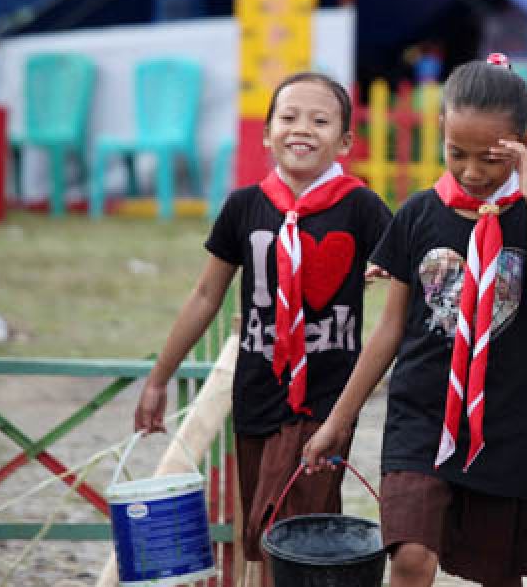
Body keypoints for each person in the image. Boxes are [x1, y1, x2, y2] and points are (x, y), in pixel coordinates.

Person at [302, 54, 527, 587]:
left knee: (498, 573)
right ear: (440, 133)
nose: (473, 173)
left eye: (492, 160)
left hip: (503, 424)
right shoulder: (418, 214)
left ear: (526, 141)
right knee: (409, 556)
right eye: (457, 154)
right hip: (420, 417)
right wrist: (337, 420)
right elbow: (388, 331)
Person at [133, 72, 392, 578]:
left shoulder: (361, 207)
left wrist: (385, 268)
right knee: (262, 530)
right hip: (257, 391)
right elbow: (207, 295)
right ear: (266, 132)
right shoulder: (245, 206)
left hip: (328, 400)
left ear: (344, 141)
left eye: (320, 121)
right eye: (289, 117)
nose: (303, 129)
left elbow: (406, 273)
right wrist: (159, 379)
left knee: (307, 526)